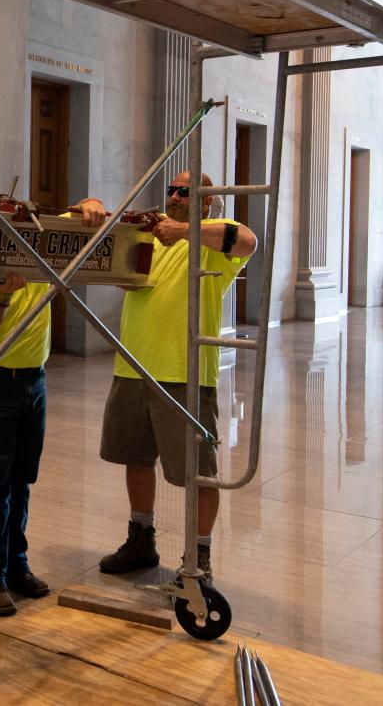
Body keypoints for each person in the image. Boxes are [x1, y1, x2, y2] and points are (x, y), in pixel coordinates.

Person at [98, 172, 256, 582]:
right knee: (135, 457)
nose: (174, 196)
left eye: (185, 192)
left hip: (184, 373)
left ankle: (199, 556)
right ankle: (140, 537)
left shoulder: (210, 246)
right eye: (171, 189)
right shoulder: (153, 236)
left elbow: (248, 240)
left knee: (198, 472)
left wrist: (185, 230)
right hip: (133, 365)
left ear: (205, 202)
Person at [0, 197, 107, 617]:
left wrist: (89, 204)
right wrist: (2, 296)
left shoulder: (42, 241)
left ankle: (15, 564)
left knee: (21, 480)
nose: (19, 230)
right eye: (9, 224)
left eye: (23, 222)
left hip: (34, 380)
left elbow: (89, 214)